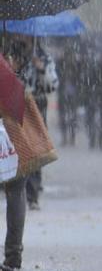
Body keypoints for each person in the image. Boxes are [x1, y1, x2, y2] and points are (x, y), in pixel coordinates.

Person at [1, 53, 59, 271]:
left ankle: (13, 254)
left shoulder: (36, 56)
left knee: (16, 191)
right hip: (14, 133)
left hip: (11, 132)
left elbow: (49, 85)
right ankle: (13, 256)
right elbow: (17, 98)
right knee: (17, 192)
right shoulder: (7, 65)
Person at [6, 35, 58, 210]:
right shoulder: (11, 54)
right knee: (17, 147)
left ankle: (32, 192)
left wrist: (41, 69)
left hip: (36, 106)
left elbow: (52, 86)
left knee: (36, 149)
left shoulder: (44, 57)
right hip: (14, 105)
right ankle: (15, 187)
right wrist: (13, 69)